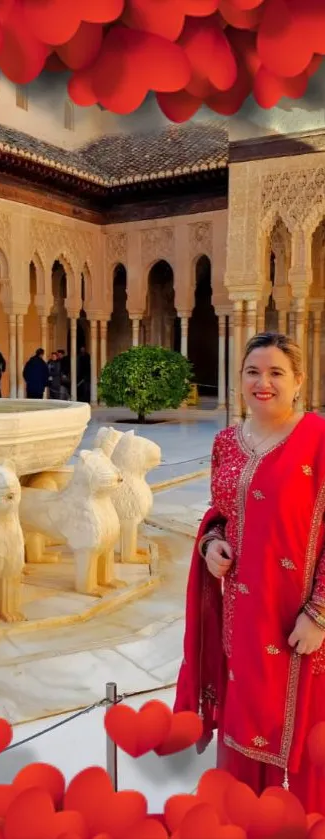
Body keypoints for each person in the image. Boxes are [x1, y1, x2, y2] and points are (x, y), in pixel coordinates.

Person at [174, 332, 325, 812]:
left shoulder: (319, 441)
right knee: (246, 727)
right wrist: (212, 543)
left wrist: (319, 614)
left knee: (306, 739)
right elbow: (220, 514)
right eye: (252, 372)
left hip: (300, 622)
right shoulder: (226, 443)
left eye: (277, 372)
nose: (263, 383)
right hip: (243, 618)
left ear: (299, 381)